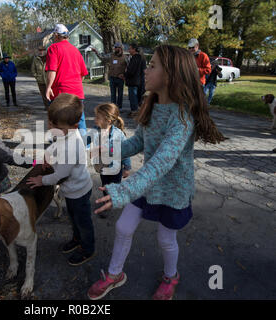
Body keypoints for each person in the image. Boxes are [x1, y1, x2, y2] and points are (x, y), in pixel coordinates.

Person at [87, 45, 225, 300]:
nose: (145, 70)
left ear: (170, 75)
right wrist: (107, 150)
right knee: (124, 226)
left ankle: (171, 276)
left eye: (152, 66)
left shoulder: (183, 117)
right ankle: (115, 274)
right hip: (147, 184)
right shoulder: (151, 105)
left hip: (172, 190)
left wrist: (124, 189)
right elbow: (137, 142)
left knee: (165, 239)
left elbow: (162, 162)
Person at [27, 93, 95, 266]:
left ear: (72, 126)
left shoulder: (72, 148)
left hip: (78, 192)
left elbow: (58, 176)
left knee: (83, 221)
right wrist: (48, 155)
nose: (49, 126)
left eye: (53, 124)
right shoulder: (66, 133)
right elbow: (57, 143)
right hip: (71, 191)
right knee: (73, 218)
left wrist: (41, 180)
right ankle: (77, 238)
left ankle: (87, 247)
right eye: (49, 121)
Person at [45, 24, 88, 141]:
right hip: (77, 91)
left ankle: (59, 142)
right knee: (80, 119)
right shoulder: (76, 50)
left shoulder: (53, 48)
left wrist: (48, 87)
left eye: (54, 36)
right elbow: (83, 74)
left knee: (57, 118)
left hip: (61, 92)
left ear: (57, 36)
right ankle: (86, 146)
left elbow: (52, 70)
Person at [93, 103, 131, 219]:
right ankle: (108, 200)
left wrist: (127, 167)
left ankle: (110, 204)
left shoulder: (118, 134)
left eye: (97, 117)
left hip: (116, 168)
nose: (95, 119)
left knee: (113, 187)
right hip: (103, 168)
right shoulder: (95, 132)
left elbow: (126, 152)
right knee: (105, 186)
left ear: (108, 120)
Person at [92, 43, 127, 109]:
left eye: (116, 47)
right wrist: (96, 52)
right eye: (115, 47)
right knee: (113, 94)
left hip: (120, 79)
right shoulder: (111, 55)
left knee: (120, 94)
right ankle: (113, 108)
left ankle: (119, 107)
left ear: (120, 48)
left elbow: (130, 67)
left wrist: (125, 75)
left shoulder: (125, 57)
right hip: (112, 77)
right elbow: (102, 57)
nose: (115, 48)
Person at [124, 43, 146, 118]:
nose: (129, 50)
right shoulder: (142, 57)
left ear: (134, 49)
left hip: (133, 82)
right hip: (140, 81)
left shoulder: (135, 58)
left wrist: (125, 72)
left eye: (130, 48)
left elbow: (131, 71)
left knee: (133, 98)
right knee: (139, 98)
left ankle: (134, 113)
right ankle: (139, 112)